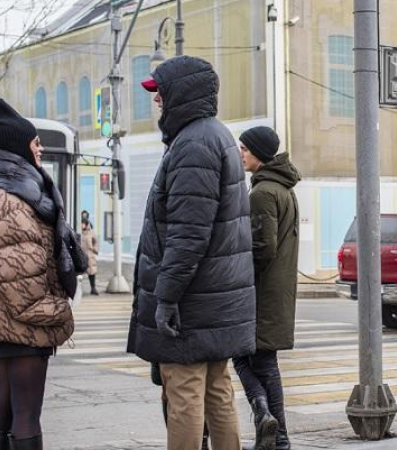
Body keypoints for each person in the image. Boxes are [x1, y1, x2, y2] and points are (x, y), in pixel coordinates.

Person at [127, 55, 256, 450]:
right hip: (215, 301)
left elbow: (188, 235)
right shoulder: (214, 136)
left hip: (192, 302)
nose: (156, 102)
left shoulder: (193, 144)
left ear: (181, 94)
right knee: (217, 390)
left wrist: (166, 298)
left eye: (160, 93)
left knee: (183, 396)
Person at [0, 99, 77, 450]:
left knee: (5, 407)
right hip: (23, 323)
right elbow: (20, 282)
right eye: (34, 141)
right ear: (18, 147)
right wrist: (60, 310)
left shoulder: (0, 193)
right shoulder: (17, 200)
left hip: (5, 323)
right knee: (26, 413)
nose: (40, 147)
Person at [233, 126, 301, 450]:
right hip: (277, 290)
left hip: (262, 291)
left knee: (246, 359)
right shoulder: (283, 188)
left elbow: (263, 246)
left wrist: (238, 276)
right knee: (262, 362)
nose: (240, 154)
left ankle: (266, 417)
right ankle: (276, 437)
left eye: (244, 148)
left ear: (258, 153)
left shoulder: (262, 192)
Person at [81, 218, 100, 296]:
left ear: (86, 224)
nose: (81, 225)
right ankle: (77, 289)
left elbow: (96, 242)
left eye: (83, 223)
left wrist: (94, 249)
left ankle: (93, 288)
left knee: (91, 271)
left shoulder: (91, 232)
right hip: (80, 254)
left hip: (89, 254)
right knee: (78, 273)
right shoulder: (79, 232)